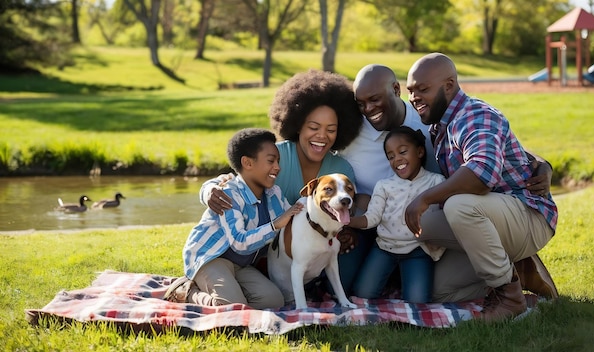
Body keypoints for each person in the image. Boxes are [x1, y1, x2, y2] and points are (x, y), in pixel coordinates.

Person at [403, 53, 558, 321]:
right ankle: (516, 271)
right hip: (491, 218)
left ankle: (510, 298)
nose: (414, 97)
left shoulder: (475, 114)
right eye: (411, 91)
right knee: (442, 290)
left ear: (449, 85)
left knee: (458, 205)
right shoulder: (440, 124)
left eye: (423, 89)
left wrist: (425, 198)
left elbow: (481, 174)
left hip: (527, 214)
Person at [198, 69, 363, 298]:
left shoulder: (341, 171)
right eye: (313, 128)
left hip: (308, 253)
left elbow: (346, 208)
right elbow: (233, 180)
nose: (321, 136)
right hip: (257, 251)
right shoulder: (277, 158)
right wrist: (208, 190)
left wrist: (347, 229)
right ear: (297, 125)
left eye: (331, 130)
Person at [166, 128, 303, 309]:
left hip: (241, 264)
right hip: (210, 258)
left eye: (278, 161)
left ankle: (231, 289)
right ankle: (187, 291)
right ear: (247, 162)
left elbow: (294, 219)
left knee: (274, 301)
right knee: (232, 305)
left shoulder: (273, 194)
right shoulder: (228, 193)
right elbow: (239, 242)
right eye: (271, 161)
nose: (277, 167)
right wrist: (276, 224)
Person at [348, 126, 446, 303]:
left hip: (418, 250)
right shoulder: (384, 185)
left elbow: (443, 219)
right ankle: (390, 275)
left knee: (417, 301)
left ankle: (405, 277)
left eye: (402, 152)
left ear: (420, 152)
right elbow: (371, 218)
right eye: (391, 156)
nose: (397, 159)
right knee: (362, 294)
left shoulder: (436, 182)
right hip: (385, 248)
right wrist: (347, 221)